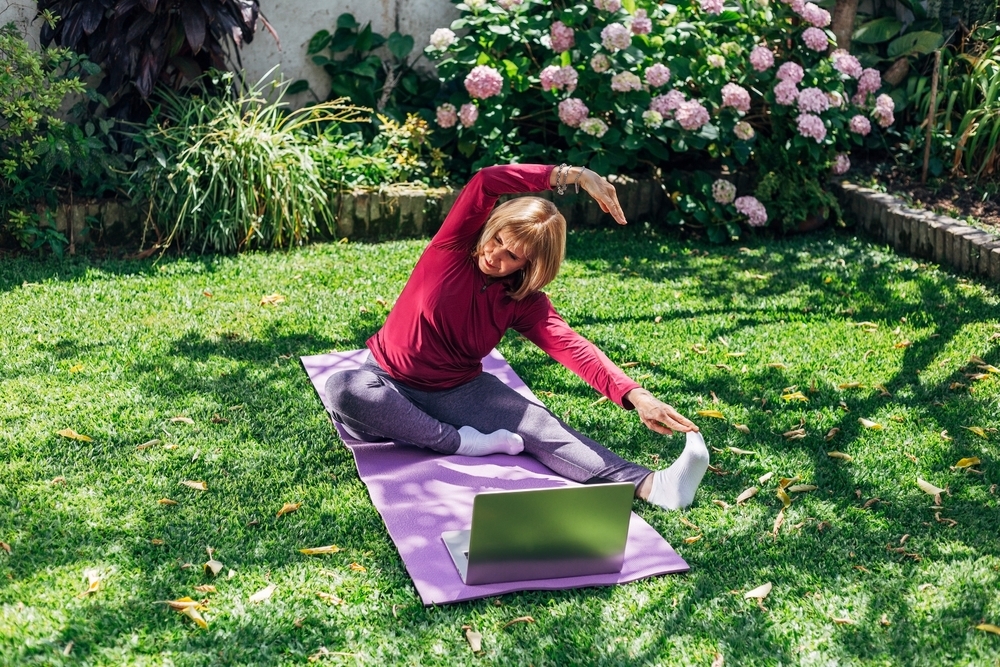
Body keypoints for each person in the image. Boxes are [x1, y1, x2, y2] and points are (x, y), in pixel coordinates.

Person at [325, 163, 709, 510]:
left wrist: (635, 395)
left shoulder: (523, 301)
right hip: (386, 382)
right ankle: (459, 442)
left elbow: (573, 349)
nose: (495, 256)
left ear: (530, 265)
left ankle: (650, 485)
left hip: (459, 391)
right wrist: (573, 176)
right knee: (345, 387)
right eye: (497, 241)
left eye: (512, 255)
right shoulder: (452, 248)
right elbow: (486, 180)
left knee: (541, 426)